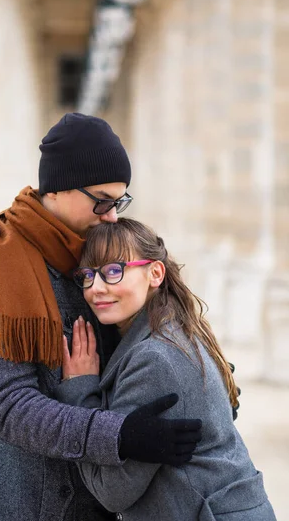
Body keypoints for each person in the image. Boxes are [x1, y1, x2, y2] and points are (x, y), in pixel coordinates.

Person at [0, 113, 202, 521]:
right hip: (38, 505)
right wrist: (119, 436)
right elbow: (9, 407)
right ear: (58, 189)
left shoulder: (104, 255)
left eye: (119, 202)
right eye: (102, 200)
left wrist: (199, 376)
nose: (111, 216)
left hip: (114, 501)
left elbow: (150, 329)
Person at [55, 218, 276, 521]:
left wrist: (80, 389)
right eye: (88, 276)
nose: (97, 288)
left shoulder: (155, 360)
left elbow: (112, 492)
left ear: (155, 273)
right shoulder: (178, 329)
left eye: (113, 271)